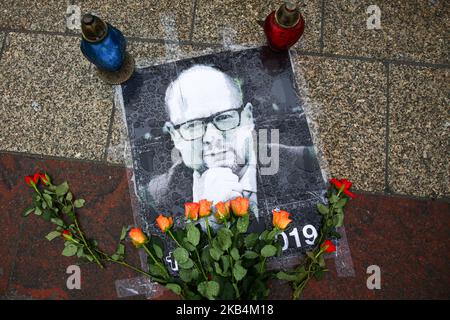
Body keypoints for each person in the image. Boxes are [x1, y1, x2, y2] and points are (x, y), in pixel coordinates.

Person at [145, 64, 324, 230]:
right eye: (193, 125)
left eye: (224, 117)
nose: (211, 137)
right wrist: (210, 223)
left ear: (247, 117)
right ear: (175, 135)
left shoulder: (307, 165)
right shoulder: (157, 197)